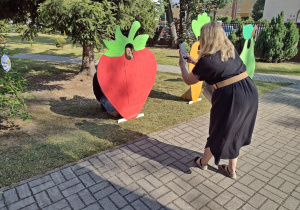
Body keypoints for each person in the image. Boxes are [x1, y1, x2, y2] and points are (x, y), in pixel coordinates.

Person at [179, 21, 258, 179]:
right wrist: (195, 62)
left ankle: (203, 162)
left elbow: (189, 80)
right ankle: (231, 170)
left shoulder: (206, 60)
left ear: (207, 37)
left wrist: (182, 64)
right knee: (237, 130)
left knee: (218, 131)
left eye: (202, 36)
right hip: (249, 92)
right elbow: (219, 68)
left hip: (231, 97)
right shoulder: (229, 50)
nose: (200, 39)